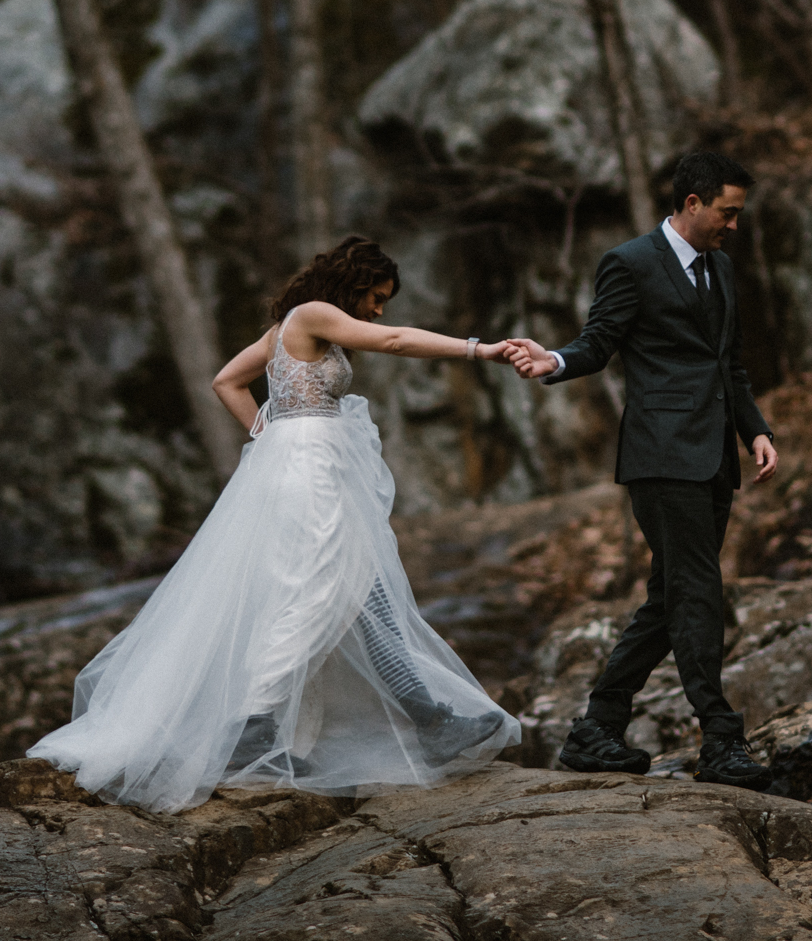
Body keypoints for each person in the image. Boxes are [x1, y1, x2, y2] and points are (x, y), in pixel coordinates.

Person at [30, 236, 520, 812]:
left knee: (366, 588)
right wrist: (478, 350)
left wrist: (268, 433)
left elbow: (226, 382)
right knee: (314, 592)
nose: (379, 310)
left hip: (302, 460)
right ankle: (253, 725)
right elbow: (390, 340)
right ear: (351, 283)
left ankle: (431, 718)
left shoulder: (282, 332)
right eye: (376, 295)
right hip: (310, 468)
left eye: (386, 300)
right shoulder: (312, 314)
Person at [504, 151, 781, 789]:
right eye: (726, 212)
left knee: (670, 596)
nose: (733, 224)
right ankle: (720, 738)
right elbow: (598, 343)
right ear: (692, 204)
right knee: (699, 590)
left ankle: (596, 729)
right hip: (661, 456)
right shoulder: (629, 263)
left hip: (713, 457)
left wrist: (756, 430)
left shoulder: (722, 269)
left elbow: (729, 364)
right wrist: (555, 362)